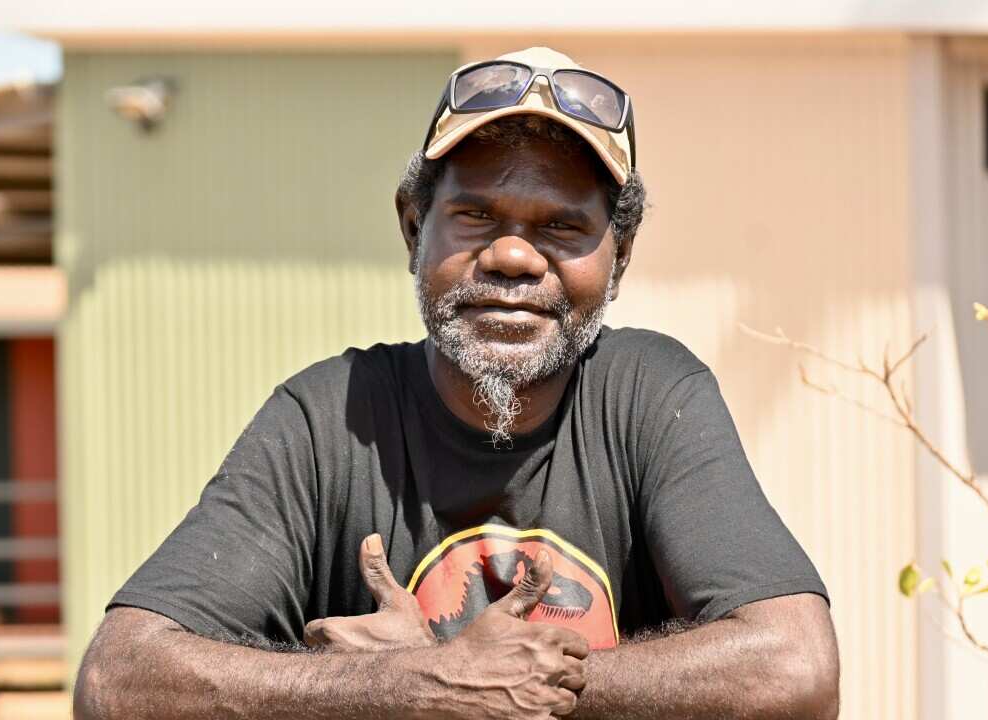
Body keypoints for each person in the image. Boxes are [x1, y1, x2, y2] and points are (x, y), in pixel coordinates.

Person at [75, 47, 840, 719]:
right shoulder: (327, 418)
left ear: (621, 256)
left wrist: (488, 684)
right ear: (414, 228)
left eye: (562, 227)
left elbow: (794, 669)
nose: (513, 257)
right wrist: (413, 688)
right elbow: (118, 680)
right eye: (475, 215)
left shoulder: (649, 396)